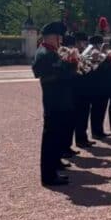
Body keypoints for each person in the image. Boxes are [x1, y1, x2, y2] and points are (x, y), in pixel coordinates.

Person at [32, 21, 76, 186]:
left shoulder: (52, 51)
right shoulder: (44, 53)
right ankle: (49, 175)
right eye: (59, 37)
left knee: (57, 136)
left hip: (60, 99)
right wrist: (68, 65)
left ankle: (55, 164)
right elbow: (41, 73)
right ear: (52, 37)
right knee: (51, 138)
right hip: (53, 101)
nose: (61, 40)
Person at [71, 32, 95, 148]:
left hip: (87, 88)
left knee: (85, 114)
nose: (84, 44)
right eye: (82, 42)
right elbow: (76, 73)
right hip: (77, 89)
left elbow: (88, 70)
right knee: (79, 116)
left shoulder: (86, 53)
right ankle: (79, 140)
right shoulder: (73, 54)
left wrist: (93, 62)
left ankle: (83, 138)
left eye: (85, 42)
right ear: (77, 43)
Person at [89, 34, 111, 139]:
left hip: (104, 85)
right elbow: (94, 69)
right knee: (96, 110)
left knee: (102, 109)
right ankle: (95, 132)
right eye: (98, 44)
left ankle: (100, 130)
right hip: (95, 86)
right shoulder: (91, 54)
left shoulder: (102, 54)